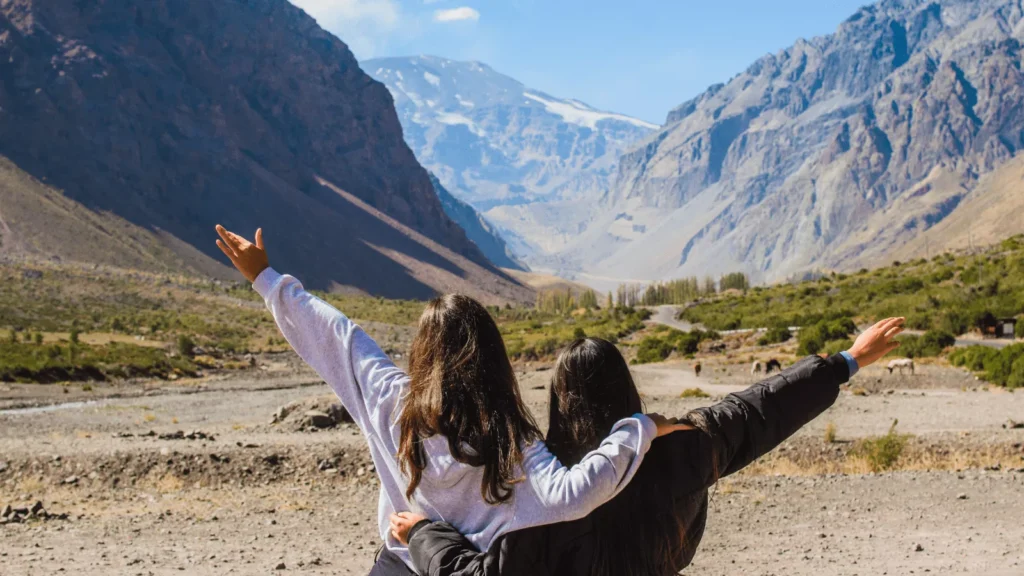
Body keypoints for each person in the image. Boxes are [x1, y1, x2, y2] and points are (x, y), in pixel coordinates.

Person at [213, 225, 686, 574]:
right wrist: (638, 428)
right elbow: (574, 495)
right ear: (494, 358)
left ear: (422, 352)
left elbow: (335, 336)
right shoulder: (512, 439)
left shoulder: (390, 400)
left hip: (401, 563)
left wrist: (265, 278)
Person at [389, 318, 905, 576]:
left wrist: (423, 536)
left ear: (560, 401)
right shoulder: (685, 445)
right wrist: (846, 361)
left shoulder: (544, 488)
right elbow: (760, 410)